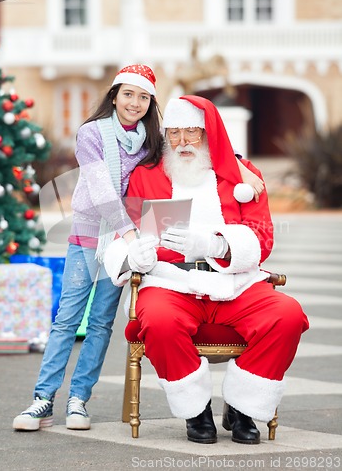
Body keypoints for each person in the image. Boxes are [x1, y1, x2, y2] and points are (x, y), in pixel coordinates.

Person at [104, 95, 309, 445]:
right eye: (174, 134)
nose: (182, 142)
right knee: (158, 320)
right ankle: (196, 411)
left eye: (192, 133)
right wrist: (130, 256)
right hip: (172, 282)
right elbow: (123, 230)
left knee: (287, 315)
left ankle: (242, 407)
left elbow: (262, 237)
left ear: (209, 135)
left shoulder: (243, 179)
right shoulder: (146, 176)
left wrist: (216, 245)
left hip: (235, 283)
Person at [13, 64, 164, 431]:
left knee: (100, 324)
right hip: (89, 235)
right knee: (67, 318)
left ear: (150, 103)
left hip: (123, 243)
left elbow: (193, 155)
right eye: (128, 94)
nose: (135, 103)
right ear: (114, 96)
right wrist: (130, 236)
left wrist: (244, 174)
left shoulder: (152, 140)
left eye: (143, 97)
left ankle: (79, 400)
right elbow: (100, 191)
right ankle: (42, 400)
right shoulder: (91, 134)